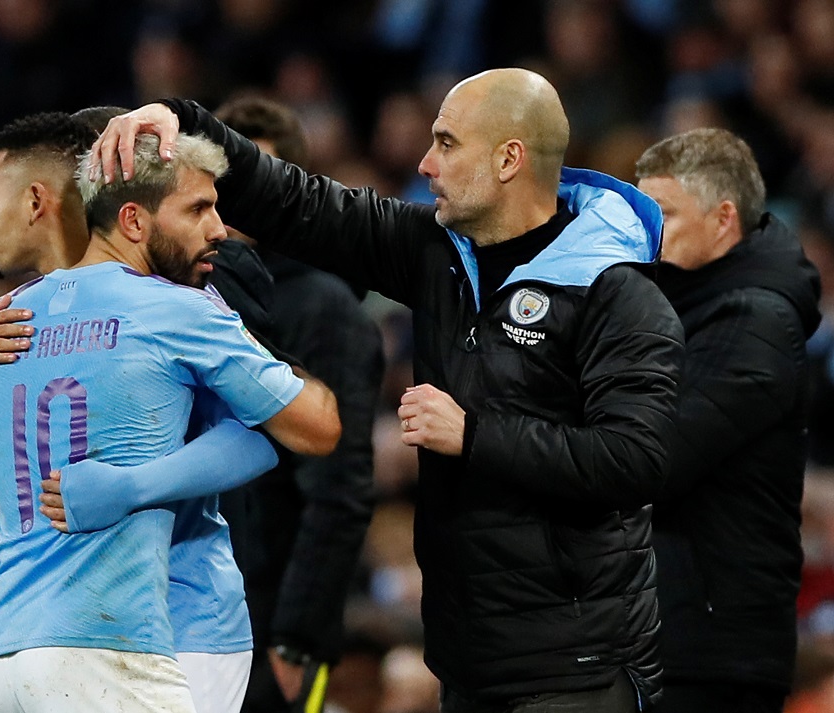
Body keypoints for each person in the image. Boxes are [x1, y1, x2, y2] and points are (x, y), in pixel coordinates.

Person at [91, 67, 686, 712]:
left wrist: (475, 434)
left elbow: (637, 461)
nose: (426, 163)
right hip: (468, 661)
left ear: (510, 158)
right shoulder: (436, 252)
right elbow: (300, 204)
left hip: (579, 666)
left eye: (448, 144)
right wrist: (186, 123)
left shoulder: (618, 293)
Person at [0, 113, 341, 713]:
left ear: (39, 202)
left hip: (155, 625)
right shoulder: (6, 326)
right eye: (198, 210)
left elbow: (268, 430)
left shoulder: (184, 285)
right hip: (111, 642)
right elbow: (296, 427)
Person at [635, 128, 821, 713]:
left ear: (723, 219)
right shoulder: (680, 303)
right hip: (673, 633)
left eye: (661, 214)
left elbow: (650, 462)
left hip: (710, 649)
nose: (642, 233)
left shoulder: (755, 322)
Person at [210, 96, 383, 713]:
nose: (235, 200)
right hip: (203, 613)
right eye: (220, 181)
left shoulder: (325, 309)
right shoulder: (187, 297)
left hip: (272, 623)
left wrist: (298, 635)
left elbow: (340, 487)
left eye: (256, 180)